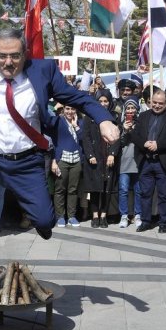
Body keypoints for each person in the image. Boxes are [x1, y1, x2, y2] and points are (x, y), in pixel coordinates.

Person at [0, 28, 119, 282]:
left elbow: (78, 97)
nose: (8, 62)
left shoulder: (43, 71)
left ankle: (42, 221)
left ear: (24, 53)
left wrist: (103, 120)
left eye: (15, 56)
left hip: (25, 162)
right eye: (2, 55)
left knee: (46, 220)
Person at [127, 90, 166, 233]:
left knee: (164, 194)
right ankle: (145, 221)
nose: (157, 105)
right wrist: (144, 143)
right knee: (145, 193)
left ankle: (164, 222)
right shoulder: (144, 116)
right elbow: (135, 135)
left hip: (163, 161)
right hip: (146, 161)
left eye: (160, 103)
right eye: (154, 102)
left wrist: (159, 145)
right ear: (150, 101)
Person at [82, 89, 120, 228]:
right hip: (95, 158)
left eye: (106, 101)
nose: (103, 104)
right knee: (95, 189)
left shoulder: (114, 116)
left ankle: (103, 215)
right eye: (100, 101)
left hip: (107, 157)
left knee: (106, 188)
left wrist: (112, 154)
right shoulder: (89, 116)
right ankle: (95, 215)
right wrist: (90, 155)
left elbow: (117, 137)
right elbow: (85, 137)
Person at [51, 104, 83, 228]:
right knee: (60, 189)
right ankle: (60, 216)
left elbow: (82, 139)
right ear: (63, 110)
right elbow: (53, 141)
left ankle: (71, 216)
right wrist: (54, 160)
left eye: (73, 108)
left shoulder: (80, 122)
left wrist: (75, 126)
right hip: (62, 158)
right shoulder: (59, 121)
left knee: (73, 190)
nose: (70, 111)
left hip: (76, 159)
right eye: (67, 109)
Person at [116, 98, 143, 229]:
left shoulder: (141, 124)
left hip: (137, 161)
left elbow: (141, 141)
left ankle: (138, 214)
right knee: (123, 190)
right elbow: (118, 143)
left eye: (133, 108)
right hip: (124, 161)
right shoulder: (120, 125)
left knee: (138, 190)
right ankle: (124, 215)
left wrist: (132, 130)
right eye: (128, 108)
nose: (130, 111)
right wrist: (125, 131)